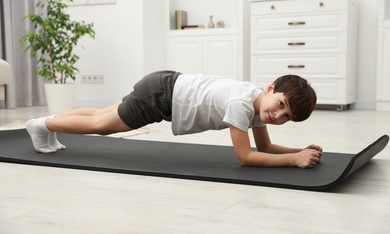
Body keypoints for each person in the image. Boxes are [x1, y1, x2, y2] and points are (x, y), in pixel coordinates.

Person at [26, 71, 322, 168]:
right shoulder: (241, 105)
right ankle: (42, 125)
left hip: (164, 85)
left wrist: (297, 151)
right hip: (161, 96)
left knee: (102, 113)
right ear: (271, 88)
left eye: (287, 117)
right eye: (281, 104)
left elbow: (266, 149)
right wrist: (294, 161)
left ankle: (46, 122)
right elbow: (245, 156)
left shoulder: (258, 106)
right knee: (101, 126)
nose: (278, 115)